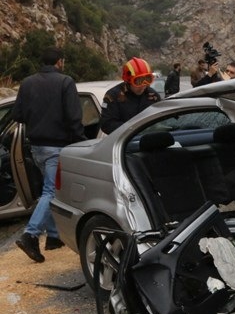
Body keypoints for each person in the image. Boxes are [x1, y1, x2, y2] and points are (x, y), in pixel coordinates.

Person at [12, 47, 86, 263]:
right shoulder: (65, 82)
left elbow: (17, 114)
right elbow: (74, 118)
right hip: (57, 147)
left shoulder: (27, 83)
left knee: (52, 190)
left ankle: (54, 237)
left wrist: (37, 116)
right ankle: (30, 235)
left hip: (36, 148)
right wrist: (82, 143)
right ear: (60, 62)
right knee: (51, 192)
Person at [100, 57, 161, 134]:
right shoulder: (113, 96)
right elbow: (107, 124)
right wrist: (134, 129)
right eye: (138, 81)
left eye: (147, 79)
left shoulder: (153, 96)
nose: (143, 86)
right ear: (128, 81)